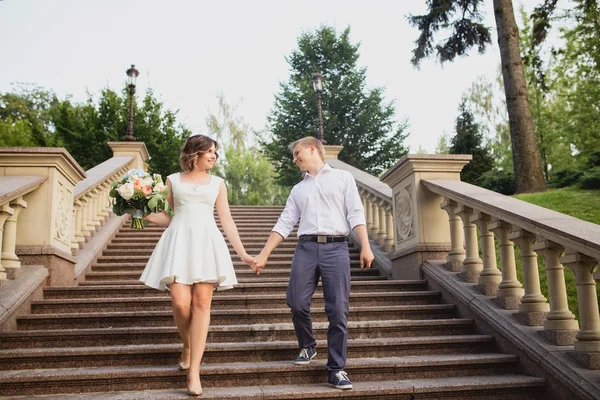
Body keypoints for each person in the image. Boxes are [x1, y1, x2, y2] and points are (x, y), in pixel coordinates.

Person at [253, 136, 374, 390]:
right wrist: (264, 254)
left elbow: (355, 212)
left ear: (312, 149)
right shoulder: (299, 190)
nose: (295, 159)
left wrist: (365, 245)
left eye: (297, 153)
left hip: (337, 248)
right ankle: (308, 346)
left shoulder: (343, 179)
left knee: (338, 310)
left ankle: (336, 369)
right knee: (296, 301)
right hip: (306, 248)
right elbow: (285, 223)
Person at [140, 134, 255, 396]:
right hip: (179, 241)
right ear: (195, 154)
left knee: (202, 303)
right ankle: (188, 344)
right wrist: (140, 211)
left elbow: (226, 220)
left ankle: (194, 373)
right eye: (210, 152)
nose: (214, 156)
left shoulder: (218, 183)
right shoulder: (173, 180)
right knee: (180, 302)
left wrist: (244, 254)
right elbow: (167, 217)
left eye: (216, 152)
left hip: (207, 243)